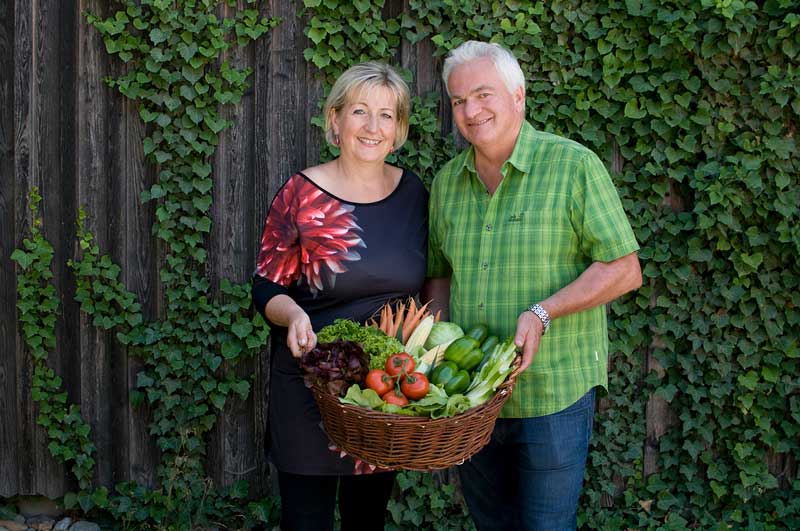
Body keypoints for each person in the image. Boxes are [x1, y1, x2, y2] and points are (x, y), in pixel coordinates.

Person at [424, 41, 643, 530]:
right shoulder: (446, 184)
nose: (471, 112)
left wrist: (543, 312)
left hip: (552, 393)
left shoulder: (573, 166)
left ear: (518, 96)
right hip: (471, 398)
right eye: (459, 101)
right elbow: (439, 274)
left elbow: (625, 268)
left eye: (483, 95)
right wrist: (432, 354)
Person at [251, 62, 428, 531]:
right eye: (360, 111)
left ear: (398, 129)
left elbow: (434, 277)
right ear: (335, 119)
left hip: (383, 392)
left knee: (366, 520)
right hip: (311, 385)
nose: (372, 127)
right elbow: (267, 285)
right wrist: (293, 315)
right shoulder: (300, 194)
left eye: (386, 115)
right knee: (305, 521)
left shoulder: (413, 193)